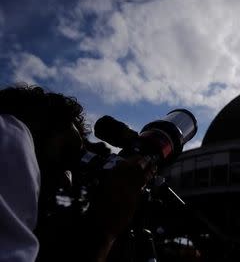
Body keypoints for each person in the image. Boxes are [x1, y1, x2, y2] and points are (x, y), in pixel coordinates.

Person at [0, 85, 154, 262]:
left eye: (72, 168)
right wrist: (105, 231)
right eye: (67, 152)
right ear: (34, 123)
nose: (67, 181)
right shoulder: (10, 130)